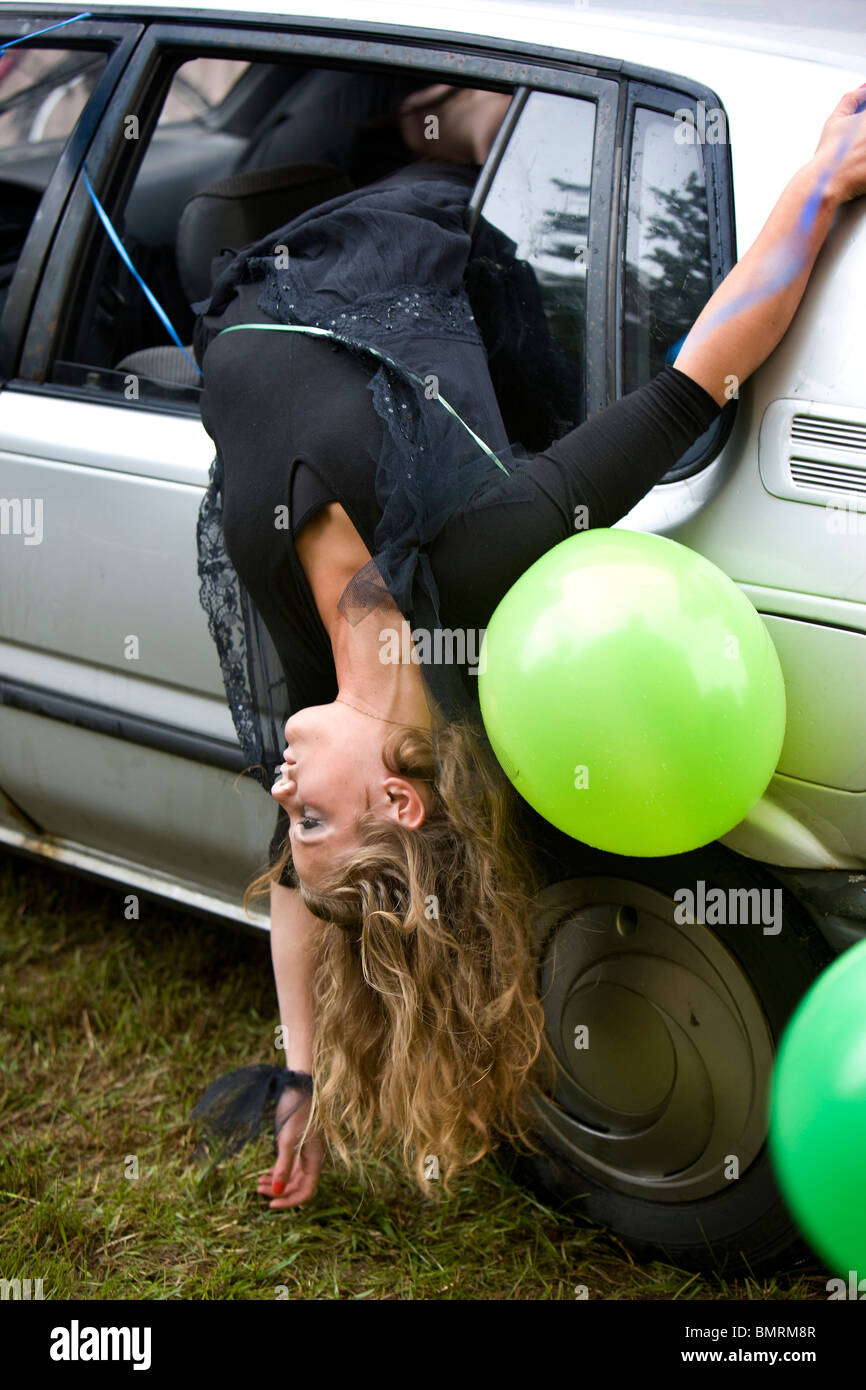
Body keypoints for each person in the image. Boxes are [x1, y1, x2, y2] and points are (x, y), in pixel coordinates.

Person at [191, 81, 866, 1210]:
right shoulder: (481, 560)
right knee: (403, 137)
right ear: (403, 804)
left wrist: (300, 1073)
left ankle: (453, 114)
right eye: (308, 810)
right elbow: (693, 381)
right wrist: (817, 185)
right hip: (418, 222)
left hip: (260, 264)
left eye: (290, 814)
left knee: (206, 207)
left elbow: (299, 895)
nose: (279, 784)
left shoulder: (319, 669)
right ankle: (470, 120)